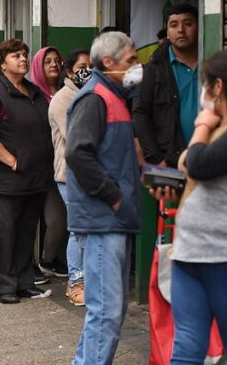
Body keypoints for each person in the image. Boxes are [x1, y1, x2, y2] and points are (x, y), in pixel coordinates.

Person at [148, 50, 227, 364]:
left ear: (217, 87)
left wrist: (201, 124)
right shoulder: (219, 127)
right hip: (189, 254)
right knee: (187, 347)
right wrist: (173, 190)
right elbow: (198, 176)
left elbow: (200, 164)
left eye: (205, 84)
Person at [65, 31, 143, 365]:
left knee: (110, 308)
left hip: (114, 217)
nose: (136, 67)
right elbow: (78, 154)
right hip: (102, 219)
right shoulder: (95, 97)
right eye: (131, 61)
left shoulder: (114, 97)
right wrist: (113, 198)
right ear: (108, 63)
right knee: (106, 310)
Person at [0, 39, 54, 303]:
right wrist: (12, 161)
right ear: (1, 63)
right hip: (8, 179)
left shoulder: (34, 92)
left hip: (36, 176)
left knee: (26, 232)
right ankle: (5, 286)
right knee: (6, 233)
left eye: (24, 55)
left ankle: (24, 282)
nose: (22, 59)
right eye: (15, 56)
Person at [47, 48, 91, 306]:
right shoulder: (64, 99)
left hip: (90, 174)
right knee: (79, 230)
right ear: (69, 71)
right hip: (71, 175)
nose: (88, 71)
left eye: (91, 66)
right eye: (82, 67)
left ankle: (82, 280)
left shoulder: (89, 94)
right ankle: (76, 282)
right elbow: (76, 137)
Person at [134, 3, 199, 166]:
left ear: (199, 27)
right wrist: (156, 159)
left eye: (188, 23)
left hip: (208, 159)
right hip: (171, 162)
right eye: (174, 25)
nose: (181, 30)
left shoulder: (212, 65)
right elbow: (140, 114)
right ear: (168, 33)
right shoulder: (153, 70)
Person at [29, 46, 68, 280]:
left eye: (57, 60)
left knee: (57, 220)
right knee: (30, 220)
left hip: (59, 168)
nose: (54, 64)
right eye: (47, 61)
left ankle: (48, 259)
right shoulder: (32, 95)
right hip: (35, 168)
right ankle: (29, 264)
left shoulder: (68, 92)